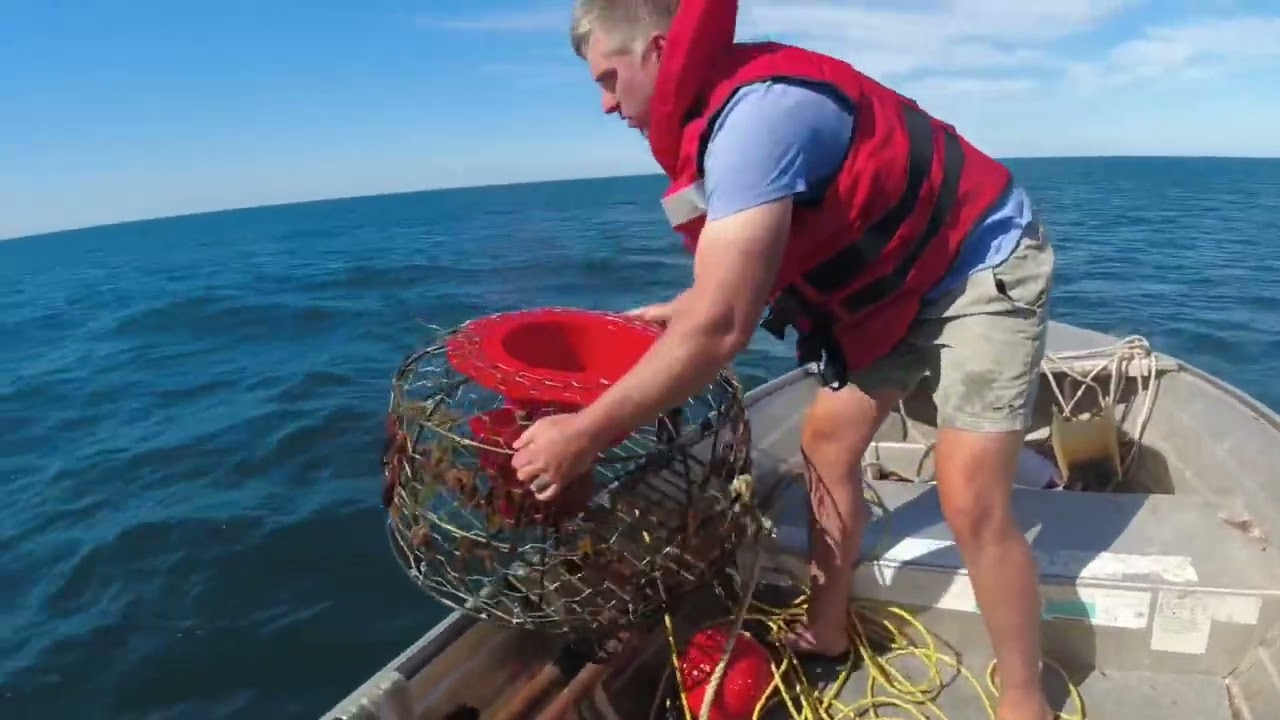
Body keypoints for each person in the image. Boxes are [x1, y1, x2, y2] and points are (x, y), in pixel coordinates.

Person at [510, 1, 1055, 718]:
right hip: (893, 289)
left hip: (979, 263)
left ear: (660, 52)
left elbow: (723, 328)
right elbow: (735, 278)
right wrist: (693, 303)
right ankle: (827, 631)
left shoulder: (758, 121)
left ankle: (1025, 694)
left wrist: (582, 436)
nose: (607, 104)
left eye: (609, 79)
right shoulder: (713, 122)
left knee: (968, 496)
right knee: (826, 441)